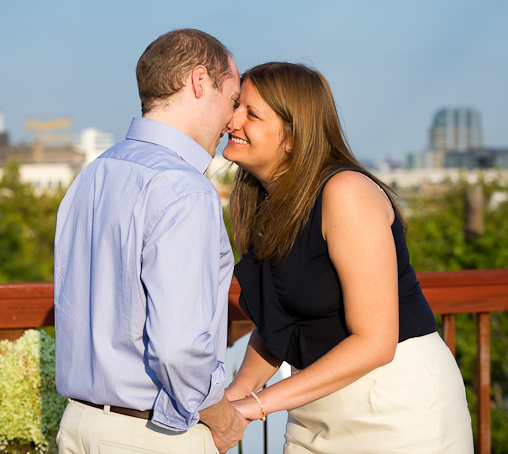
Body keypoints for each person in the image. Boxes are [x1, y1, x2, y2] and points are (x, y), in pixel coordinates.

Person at [222, 62, 473, 453]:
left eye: (250, 113)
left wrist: (254, 406)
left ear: (293, 136)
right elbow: (280, 323)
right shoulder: (257, 203)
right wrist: (232, 398)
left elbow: (375, 342)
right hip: (311, 409)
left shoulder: (345, 192)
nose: (231, 121)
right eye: (235, 106)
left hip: (395, 408)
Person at [53, 29, 247, 454]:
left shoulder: (95, 173)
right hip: (148, 437)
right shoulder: (183, 188)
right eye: (232, 99)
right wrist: (224, 419)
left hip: (77, 425)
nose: (233, 121)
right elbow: (178, 348)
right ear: (199, 82)